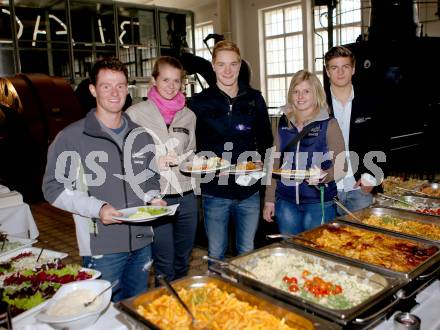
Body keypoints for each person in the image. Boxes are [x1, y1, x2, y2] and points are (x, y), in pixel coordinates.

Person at [42, 57, 165, 302]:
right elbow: (53, 188)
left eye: (120, 85)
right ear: (92, 89)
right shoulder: (71, 137)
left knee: (138, 308)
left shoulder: (141, 135)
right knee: (102, 313)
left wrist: (153, 197)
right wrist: (97, 208)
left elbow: (150, 178)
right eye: (106, 85)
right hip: (102, 247)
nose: (114, 92)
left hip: (142, 242)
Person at [188, 40, 273, 260]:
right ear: (213, 66)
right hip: (215, 191)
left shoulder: (255, 99)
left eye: (233, 64)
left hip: (249, 191)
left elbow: (266, 140)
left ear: (240, 66)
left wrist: (263, 164)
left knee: (247, 251)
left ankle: (244, 294)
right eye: (222, 64)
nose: (228, 70)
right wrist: (208, 165)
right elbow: (192, 145)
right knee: (216, 253)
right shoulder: (199, 102)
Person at [126, 56, 197, 282]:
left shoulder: (189, 115)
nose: (171, 86)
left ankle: (182, 304)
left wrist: (191, 161)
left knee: (183, 260)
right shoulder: (135, 114)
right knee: (164, 261)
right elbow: (126, 155)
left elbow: (192, 150)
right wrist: (155, 161)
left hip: (186, 195)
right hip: (156, 197)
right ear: (153, 81)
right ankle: (165, 309)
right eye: (165, 80)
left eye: (176, 81)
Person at [263, 70, 345, 234]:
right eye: (296, 91)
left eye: (306, 91)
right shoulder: (283, 124)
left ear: (316, 94)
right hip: (285, 203)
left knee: (317, 252)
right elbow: (273, 164)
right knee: (292, 252)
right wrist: (269, 200)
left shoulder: (329, 124)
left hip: (318, 203)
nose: (300, 96)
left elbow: (342, 166)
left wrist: (324, 175)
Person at [324, 46, 386, 214]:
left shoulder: (370, 102)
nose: (340, 72)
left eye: (345, 67)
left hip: (359, 186)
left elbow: (380, 141)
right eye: (334, 67)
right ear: (327, 71)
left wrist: (372, 176)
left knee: (362, 238)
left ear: (353, 69)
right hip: (326, 189)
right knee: (325, 239)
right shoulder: (318, 104)